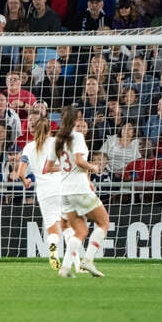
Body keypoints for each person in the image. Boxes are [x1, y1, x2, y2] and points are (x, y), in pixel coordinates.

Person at [48, 106, 109, 278]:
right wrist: (93, 167)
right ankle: (88, 260)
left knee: (80, 231)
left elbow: (49, 167)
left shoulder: (57, 140)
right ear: (76, 120)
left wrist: (72, 171)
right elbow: (79, 160)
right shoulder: (78, 136)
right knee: (103, 222)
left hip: (65, 192)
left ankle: (65, 269)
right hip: (79, 189)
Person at [17, 119, 61, 270]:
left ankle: (54, 253)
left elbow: (20, 173)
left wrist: (26, 181)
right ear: (51, 130)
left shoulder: (29, 147)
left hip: (44, 192)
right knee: (68, 225)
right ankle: (75, 260)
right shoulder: (57, 142)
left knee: (52, 228)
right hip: (61, 188)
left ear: (34, 130)